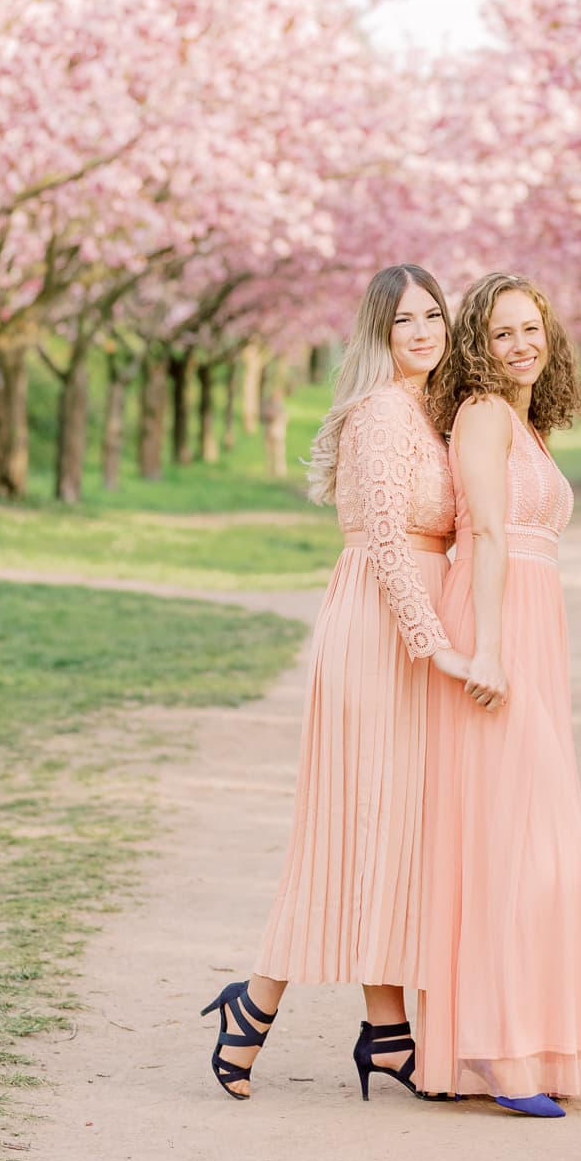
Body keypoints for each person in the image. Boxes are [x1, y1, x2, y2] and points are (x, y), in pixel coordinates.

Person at [201, 263, 477, 1100]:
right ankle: (252, 1004)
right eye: (404, 322)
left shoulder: (428, 411)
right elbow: (391, 546)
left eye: (434, 315)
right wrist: (434, 643)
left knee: (395, 828)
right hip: (380, 630)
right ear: (377, 334)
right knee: (354, 825)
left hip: (413, 621)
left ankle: (387, 1031)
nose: (423, 332)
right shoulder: (381, 414)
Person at [417, 271, 581, 1116]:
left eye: (530, 328)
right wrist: (490, 650)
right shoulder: (484, 414)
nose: (519, 345)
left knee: (539, 832)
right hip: (495, 623)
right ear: (476, 343)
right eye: (500, 333)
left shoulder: (528, 424)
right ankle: (497, 1051)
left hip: (535, 624)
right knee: (508, 836)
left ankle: (522, 1034)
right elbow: (488, 532)